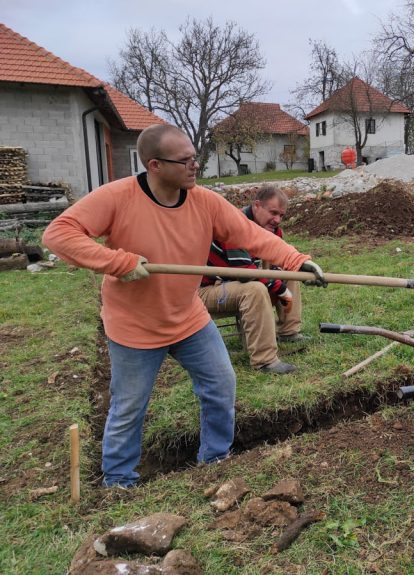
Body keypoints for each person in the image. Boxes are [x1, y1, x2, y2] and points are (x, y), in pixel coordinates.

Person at [42, 124, 326, 488]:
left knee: (221, 385)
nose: (195, 166)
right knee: (129, 408)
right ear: (155, 165)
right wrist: (118, 262)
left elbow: (251, 235)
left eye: (196, 157)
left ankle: (215, 460)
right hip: (134, 326)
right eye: (185, 160)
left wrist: (295, 260)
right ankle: (119, 481)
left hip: (188, 316)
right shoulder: (117, 197)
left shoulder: (204, 201)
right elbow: (58, 234)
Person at [198, 186, 307, 374]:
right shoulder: (234, 225)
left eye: (281, 215)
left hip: (237, 282)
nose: (277, 220)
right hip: (208, 289)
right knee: (255, 289)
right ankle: (265, 361)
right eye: (273, 213)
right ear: (257, 205)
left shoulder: (272, 229)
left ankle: (289, 332)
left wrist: (283, 275)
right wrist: (279, 289)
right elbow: (243, 272)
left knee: (290, 274)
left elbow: (273, 264)